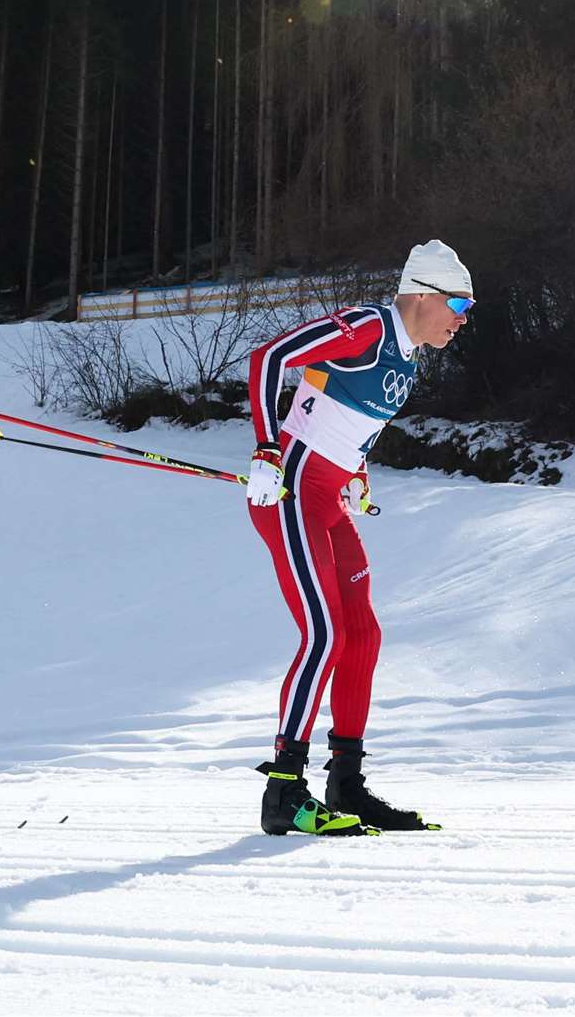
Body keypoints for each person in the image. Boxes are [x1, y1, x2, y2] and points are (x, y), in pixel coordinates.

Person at [244, 241, 473, 835]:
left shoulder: (409, 358)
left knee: (363, 636)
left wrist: (356, 474)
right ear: (421, 294)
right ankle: (283, 792)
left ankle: (346, 784)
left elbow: (336, 409)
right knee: (324, 635)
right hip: (292, 492)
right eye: (458, 303)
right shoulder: (370, 326)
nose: (463, 318)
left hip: (328, 499)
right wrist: (267, 449)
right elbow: (270, 358)